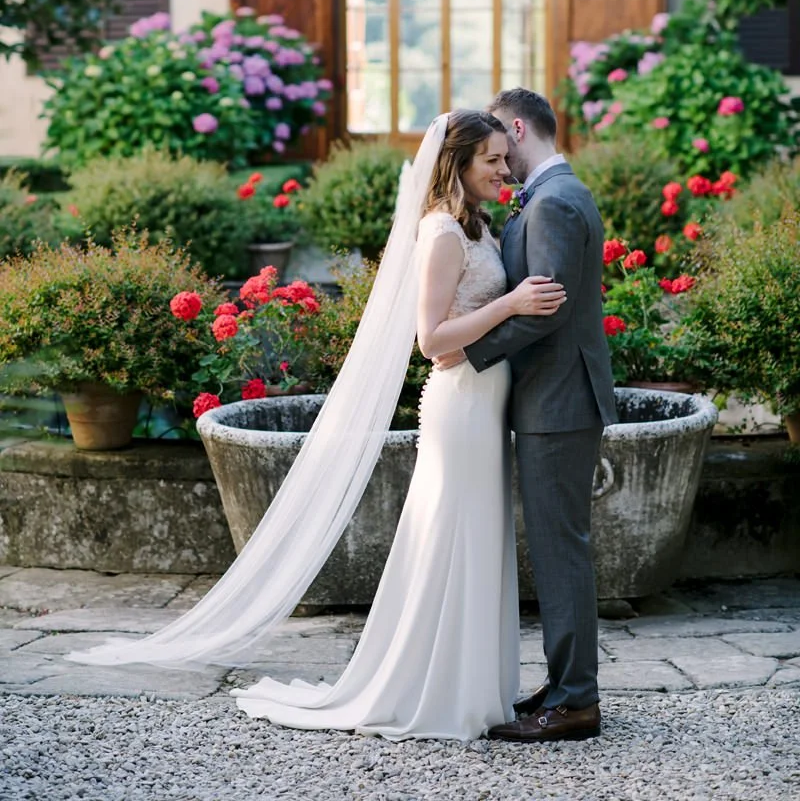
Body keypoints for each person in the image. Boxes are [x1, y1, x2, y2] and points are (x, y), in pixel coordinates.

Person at [68, 109, 565, 743]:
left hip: (485, 407)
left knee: (475, 539)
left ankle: (474, 689)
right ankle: (439, 692)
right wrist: (511, 303)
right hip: (461, 403)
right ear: (457, 164)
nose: (504, 169)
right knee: (454, 537)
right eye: (491, 159)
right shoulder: (441, 232)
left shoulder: (476, 227)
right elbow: (432, 341)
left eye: (503, 158)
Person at [452, 89, 617, 744]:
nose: (498, 161)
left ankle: (576, 702)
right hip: (558, 397)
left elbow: (542, 305)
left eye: (499, 143)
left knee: (559, 553)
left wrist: (468, 351)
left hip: (558, 400)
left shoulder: (551, 201)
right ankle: (565, 684)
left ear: (517, 127)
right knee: (558, 549)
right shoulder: (557, 194)